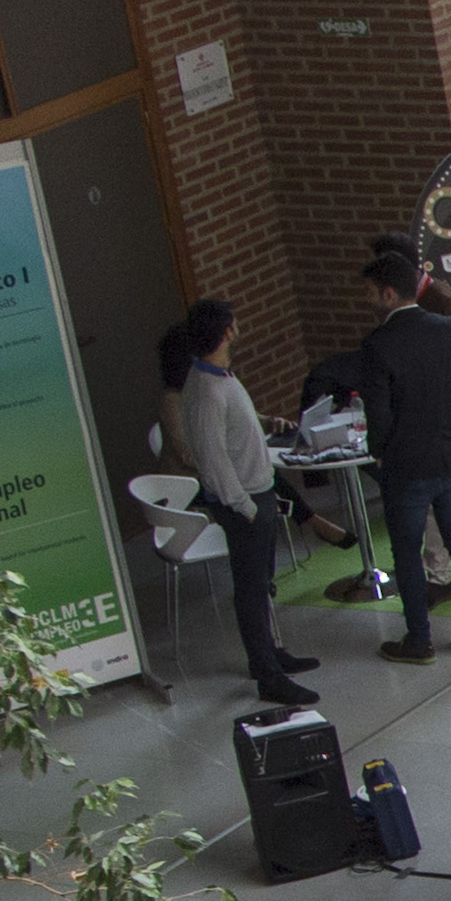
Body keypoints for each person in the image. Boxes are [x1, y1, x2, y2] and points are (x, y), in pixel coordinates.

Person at [164, 300, 317, 706]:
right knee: (250, 591)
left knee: (262, 584)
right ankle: (266, 673)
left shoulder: (219, 378)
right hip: (244, 503)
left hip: (257, 493)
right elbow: (213, 462)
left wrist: (264, 424)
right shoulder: (205, 392)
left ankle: (272, 654)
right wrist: (245, 507)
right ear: (228, 330)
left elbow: (235, 424)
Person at [354, 238, 451, 664]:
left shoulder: (378, 345)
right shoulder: (449, 328)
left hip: (405, 467)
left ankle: (420, 640)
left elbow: (377, 414)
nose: (367, 300)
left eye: (370, 292)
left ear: (388, 293)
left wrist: (380, 452)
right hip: (450, 456)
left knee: (408, 554)